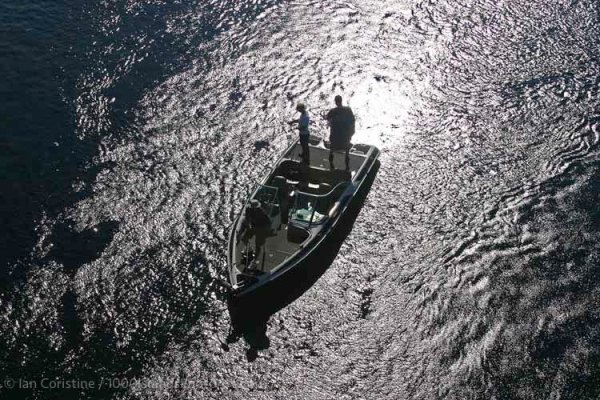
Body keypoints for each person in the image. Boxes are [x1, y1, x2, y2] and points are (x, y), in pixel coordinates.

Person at [325, 95, 355, 169]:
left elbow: (328, 118)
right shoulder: (348, 109)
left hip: (335, 135)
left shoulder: (333, 111)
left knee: (332, 150)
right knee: (347, 152)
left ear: (335, 102)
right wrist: (352, 131)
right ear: (341, 101)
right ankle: (347, 168)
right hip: (345, 134)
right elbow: (352, 121)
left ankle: (331, 166)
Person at [243, 199, 271, 269]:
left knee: (258, 246)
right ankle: (249, 248)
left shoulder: (262, 212)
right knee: (243, 238)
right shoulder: (248, 209)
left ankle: (254, 261)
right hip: (253, 226)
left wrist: (264, 233)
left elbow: (268, 223)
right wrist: (248, 226)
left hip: (261, 229)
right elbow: (247, 218)